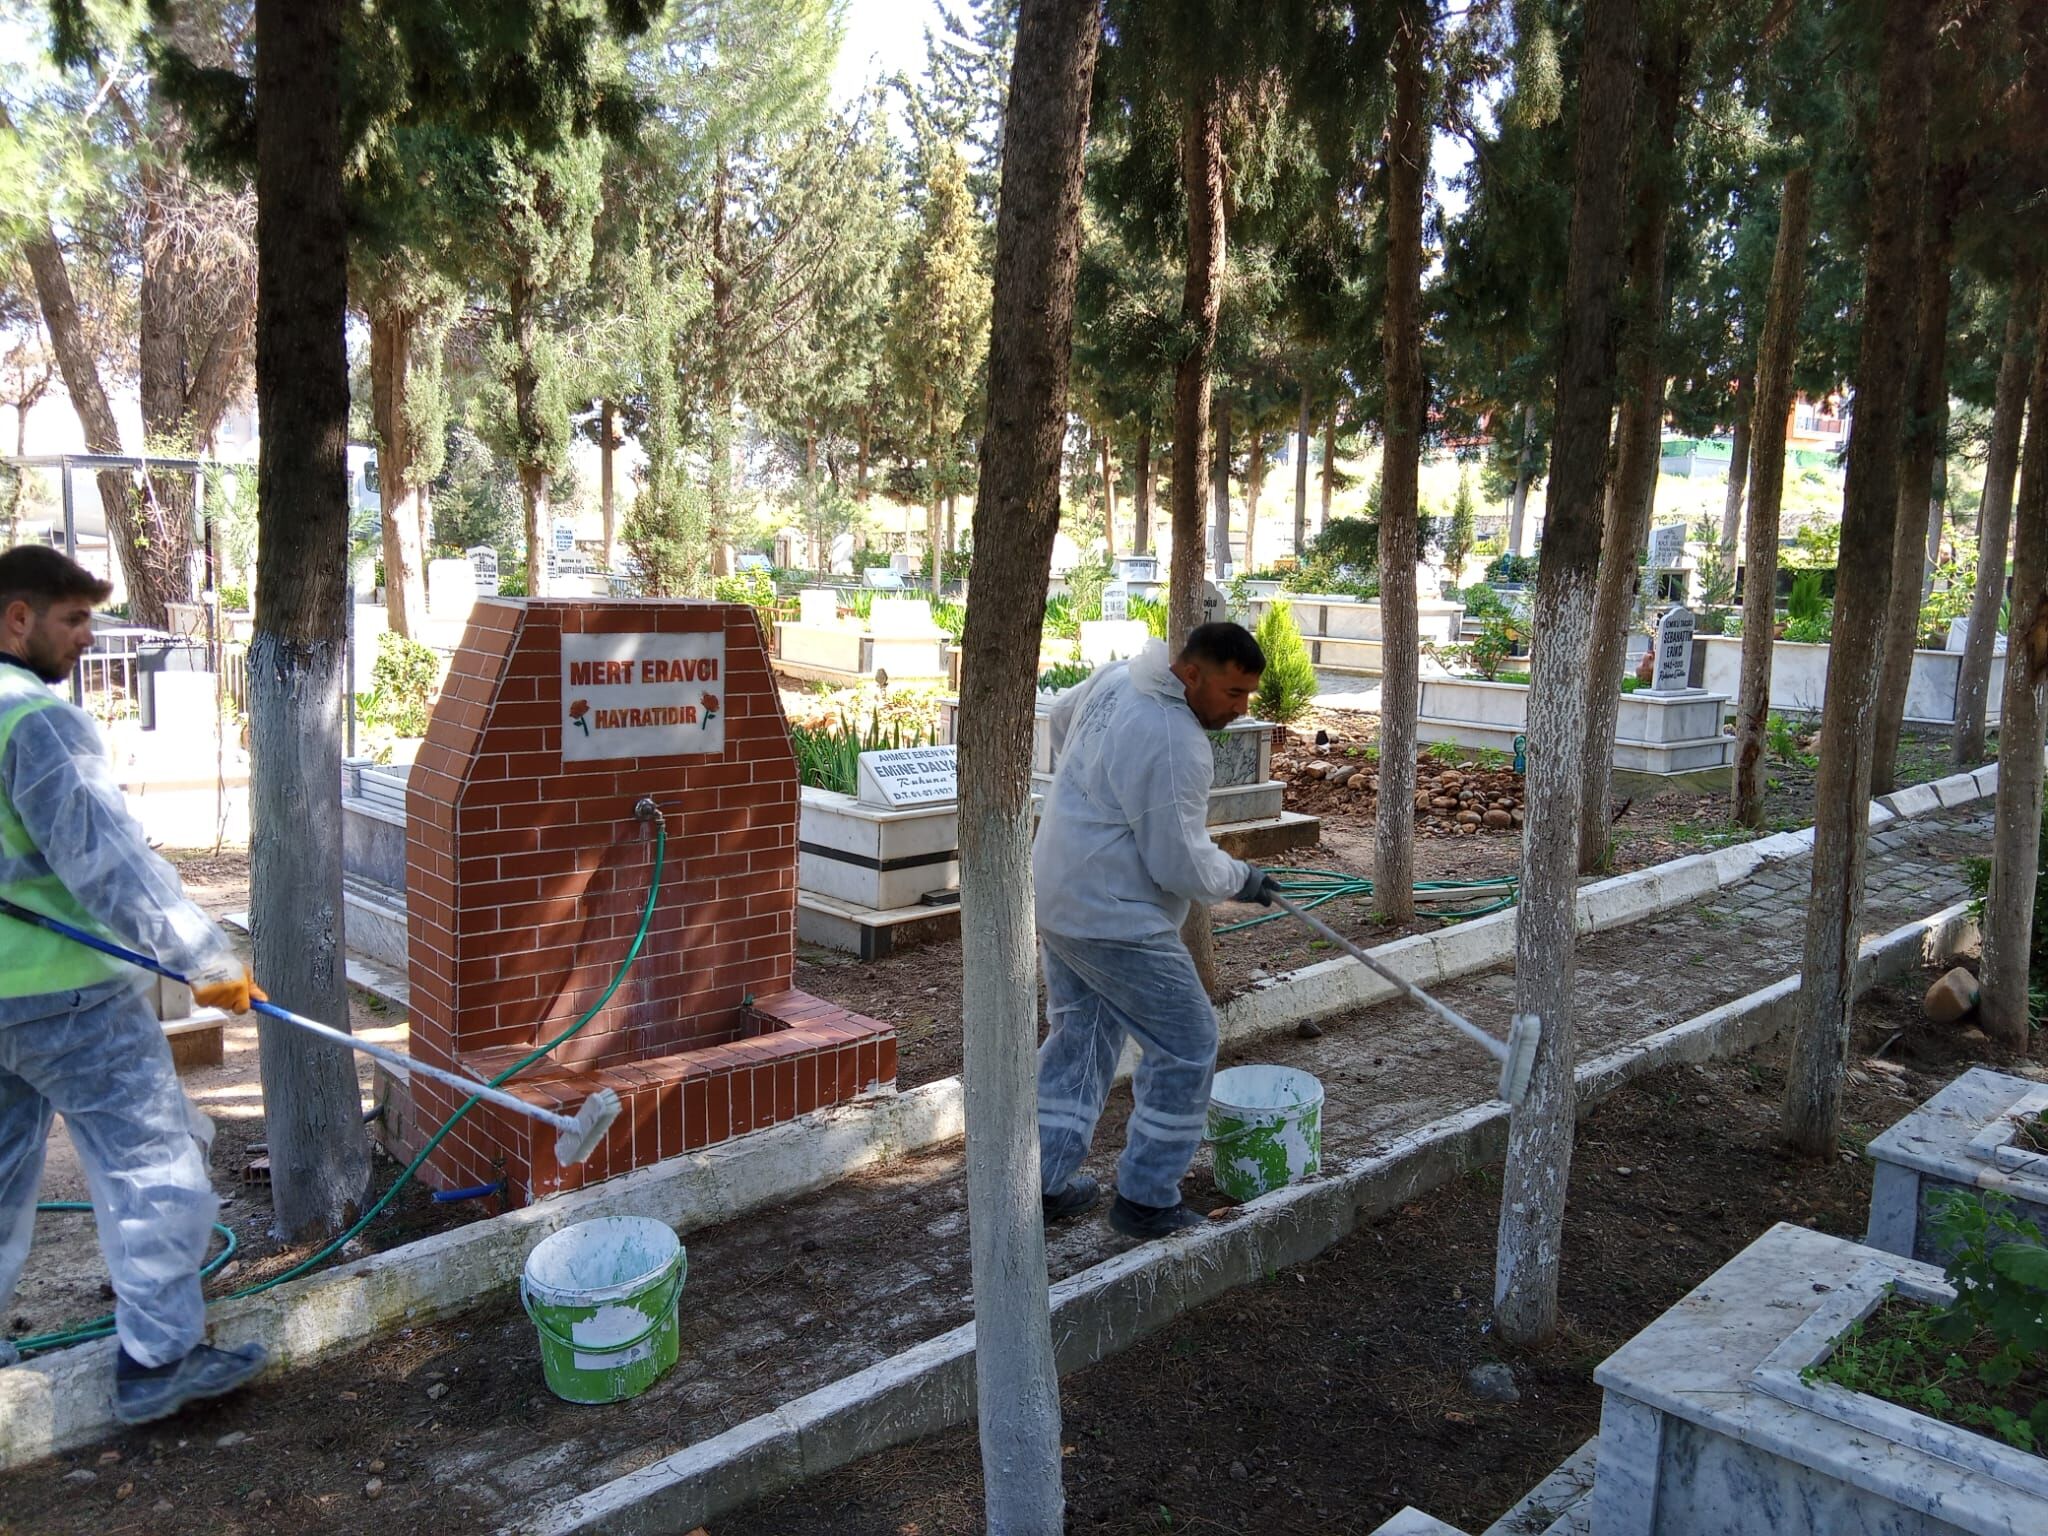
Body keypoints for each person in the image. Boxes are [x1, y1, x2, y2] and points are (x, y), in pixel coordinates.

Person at [0, 544, 267, 1421]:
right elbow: (110, 864)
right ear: (17, 618)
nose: (87, 638)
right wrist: (208, 959)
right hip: (67, 997)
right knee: (157, 1163)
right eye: (73, 620)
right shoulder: (32, 722)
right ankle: (159, 1361)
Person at [1033, 620, 1277, 1239]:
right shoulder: (1175, 739)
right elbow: (1180, 862)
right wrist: (1242, 878)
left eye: (1248, 695)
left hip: (1061, 890)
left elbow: (1061, 717)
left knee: (1081, 1036)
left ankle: (1042, 1180)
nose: (1240, 708)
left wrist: (1093, 798)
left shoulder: (1120, 677)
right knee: (1188, 1043)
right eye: (1232, 693)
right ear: (1191, 673)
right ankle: (1145, 1198)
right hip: (1115, 916)